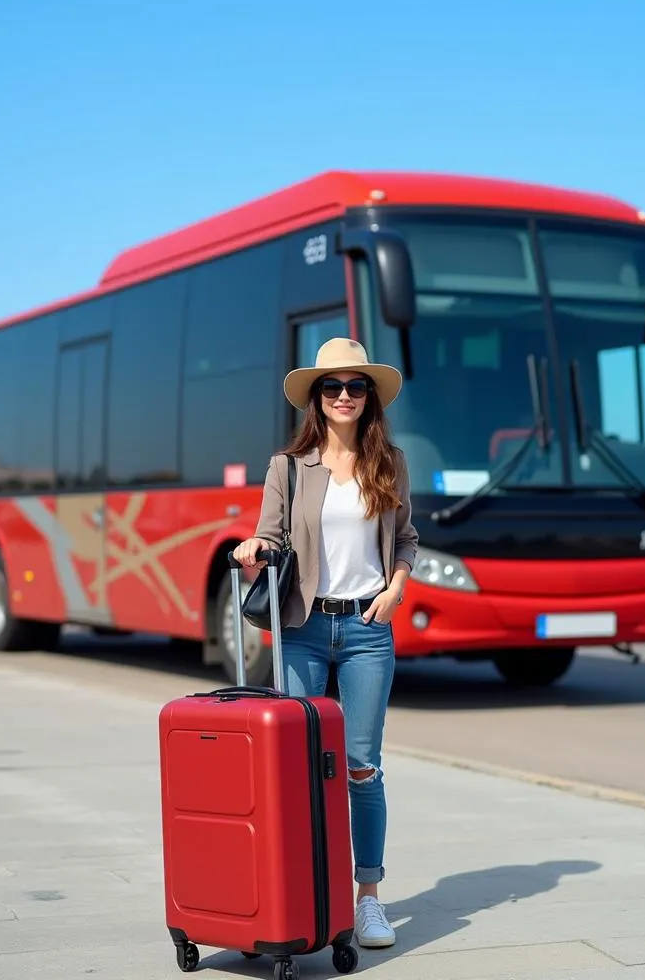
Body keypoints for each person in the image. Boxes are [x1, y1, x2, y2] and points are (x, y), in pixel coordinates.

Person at [232, 337, 418, 950]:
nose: (344, 396)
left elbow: (407, 537)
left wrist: (395, 589)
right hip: (304, 630)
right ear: (317, 397)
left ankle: (367, 899)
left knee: (362, 768)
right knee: (302, 766)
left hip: (368, 630)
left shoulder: (389, 461)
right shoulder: (288, 466)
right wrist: (253, 549)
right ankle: (311, 890)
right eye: (332, 387)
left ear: (369, 397)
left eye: (355, 386)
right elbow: (268, 532)